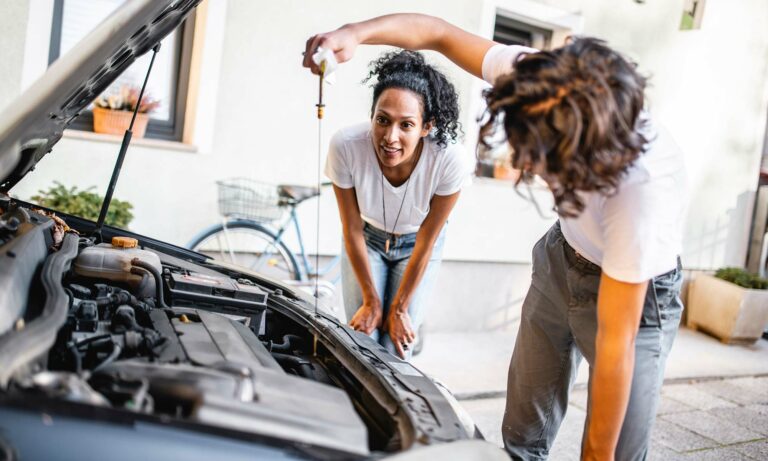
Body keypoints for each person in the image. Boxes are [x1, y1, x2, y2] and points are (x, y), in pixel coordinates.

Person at [304, 14, 687, 461]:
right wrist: (353, 35)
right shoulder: (544, 83)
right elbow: (440, 35)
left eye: (542, 159)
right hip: (563, 257)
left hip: (636, 294)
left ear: (581, 150)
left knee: (615, 451)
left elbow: (616, 346)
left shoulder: (640, 192)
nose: (532, 169)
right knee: (523, 436)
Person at [324, 49, 472, 361]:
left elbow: (427, 239)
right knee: (362, 340)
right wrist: (371, 301)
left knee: (395, 349)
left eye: (406, 125)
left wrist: (401, 308)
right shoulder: (346, 146)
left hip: (416, 245)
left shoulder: (449, 159)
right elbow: (351, 229)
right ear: (372, 115)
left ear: (426, 127)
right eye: (383, 120)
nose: (390, 137)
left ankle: (409, 310)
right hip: (367, 240)